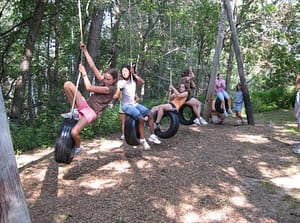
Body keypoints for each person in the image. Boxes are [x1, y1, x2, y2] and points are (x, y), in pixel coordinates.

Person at [61, 41, 118, 156]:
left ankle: (78, 148)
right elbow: (93, 66)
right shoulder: (104, 81)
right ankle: (75, 111)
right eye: (105, 78)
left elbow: (89, 87)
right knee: (68, 85)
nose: (105, 80)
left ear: (114, 80)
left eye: (108, 79)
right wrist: (85, 50)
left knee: (74, 132)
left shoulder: (110, 89)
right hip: (86, 104)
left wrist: (84, 74)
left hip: (91, 113)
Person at [113, 65, 161, 150]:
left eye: (126, 71)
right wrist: (113, 94)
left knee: (149, 113)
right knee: (141, 118)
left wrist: (134, 74)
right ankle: (142, 140)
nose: (124, 73)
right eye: (123, 71)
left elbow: (142, 82)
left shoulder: (133, 80)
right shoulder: (121, 83)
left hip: (134, 104)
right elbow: (116, 95)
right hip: (126, 106)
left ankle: (152, 135)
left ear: (130, 71)